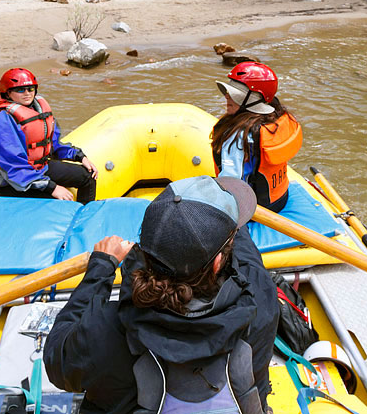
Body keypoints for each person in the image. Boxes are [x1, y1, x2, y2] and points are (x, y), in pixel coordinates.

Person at [44, 175, 279, 413]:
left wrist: (101, 267)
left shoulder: (106, 328)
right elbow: (246, 259)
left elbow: (57, 363)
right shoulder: (260, 298)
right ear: (218, 262)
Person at [0, 68, 97, 203]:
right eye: (20, 90)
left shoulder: (38, 109)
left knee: (87, 176)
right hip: (11, 181)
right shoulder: (1, 120)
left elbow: (54, 144)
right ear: (8, 92)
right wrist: (51, 187)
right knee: (59, 202)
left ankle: (84, 217)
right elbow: (13, 165)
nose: (27, 93)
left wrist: (79, 156)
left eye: (30, 89)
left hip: (40, 168)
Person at [212, 62, 302, 213]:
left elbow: (230, 182)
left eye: (235, 94)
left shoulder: (238, 134)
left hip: (254, 209)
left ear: (254, 98)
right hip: (279, 199)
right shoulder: (277, 118)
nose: (226, 96)